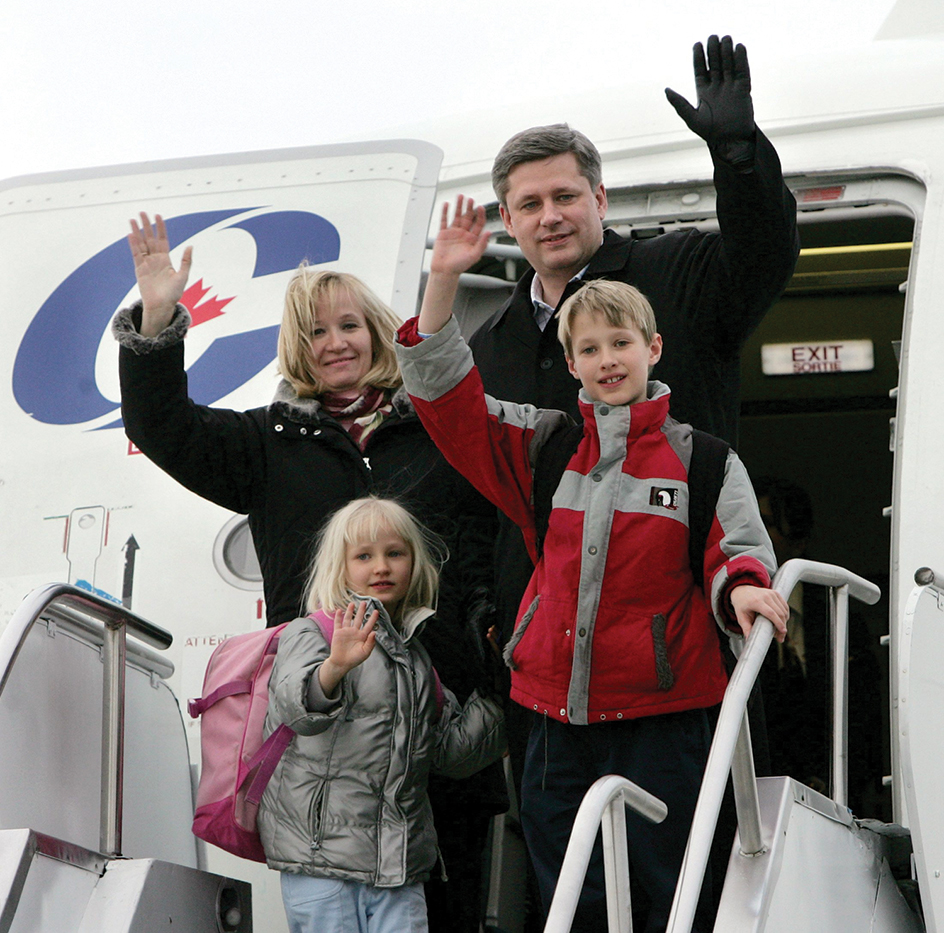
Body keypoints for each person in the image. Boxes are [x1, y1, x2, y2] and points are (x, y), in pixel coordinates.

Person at [395, 198, 790, 932]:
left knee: (674, 894)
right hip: (550, 719)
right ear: (570, 362)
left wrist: (743, 590)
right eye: (592, 348)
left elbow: (737, 548)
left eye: (622, 343)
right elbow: (450, 404)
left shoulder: (703, 459)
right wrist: (443, 283)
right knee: (571, 895)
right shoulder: (542, 446)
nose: (608, 359)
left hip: (663, 719)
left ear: (654, 348)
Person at [112, 213, 505, 932]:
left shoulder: (443, 427)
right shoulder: (267, 444)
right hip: (326, 748)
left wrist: (486, 652)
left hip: (437, 728)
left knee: (447, 911)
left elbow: (491, 537)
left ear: (378, 330)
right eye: (317, 332)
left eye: (350, 325)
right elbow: (161, 425)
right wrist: (158, 318)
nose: (336, 343)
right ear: (299, 346)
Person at [258, 497, 505, 933]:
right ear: (341, 566)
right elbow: (293, 710)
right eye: (364, 556)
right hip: (322, 862)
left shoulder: (415, 657)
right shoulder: (312, 631)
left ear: (415, 562)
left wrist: (504, 693)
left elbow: (449, 752)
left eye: (395, 553)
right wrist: (334, 668)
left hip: (398, 867)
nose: (382, 567)